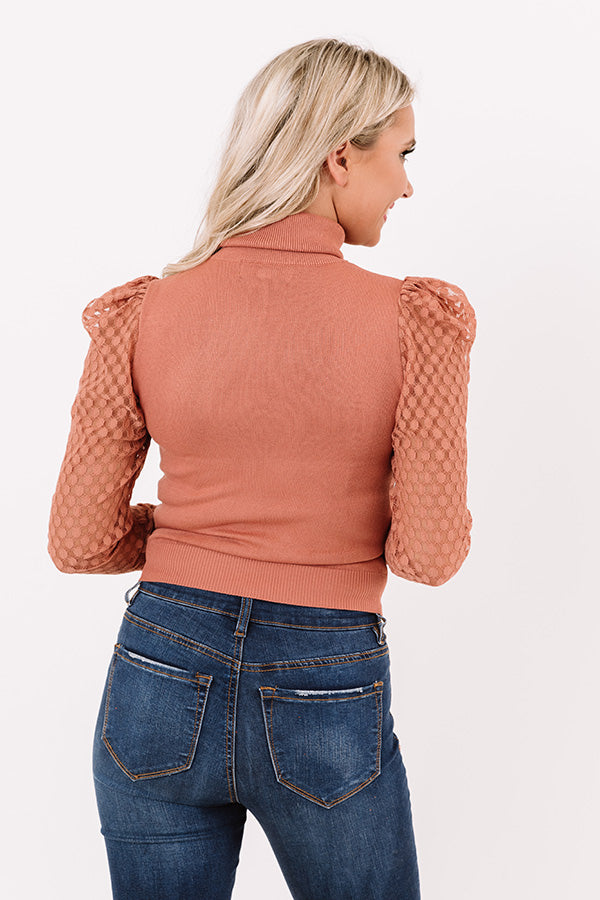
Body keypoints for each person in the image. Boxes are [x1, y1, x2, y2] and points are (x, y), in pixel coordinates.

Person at [47, 36, 476, 900]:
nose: (407, 185)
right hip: (325, 675)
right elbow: (430, 556)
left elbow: (79, 541)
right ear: (340, 157)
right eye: (403, 155)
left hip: (158, 666)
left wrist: (191, 534)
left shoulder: (143, 311)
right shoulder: (413, 320)